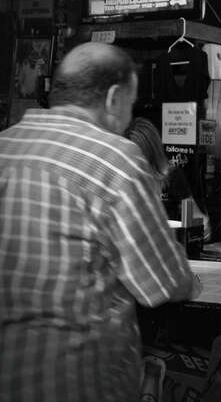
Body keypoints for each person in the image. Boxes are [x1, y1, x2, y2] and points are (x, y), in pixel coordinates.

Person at [0, 42, 198, 402]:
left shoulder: (5, 146)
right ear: (114, 98)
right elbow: (162, 284)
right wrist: (191, 281)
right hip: (78, 381)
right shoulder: (115, 161)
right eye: (130, 104)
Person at [125, 117, 210, 240]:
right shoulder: (123, 177)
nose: (137, 164)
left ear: (153, 153)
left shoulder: (172, 175)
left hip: (167, 241)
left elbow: (192, 215)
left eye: (142, 158)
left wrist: (202, 224)